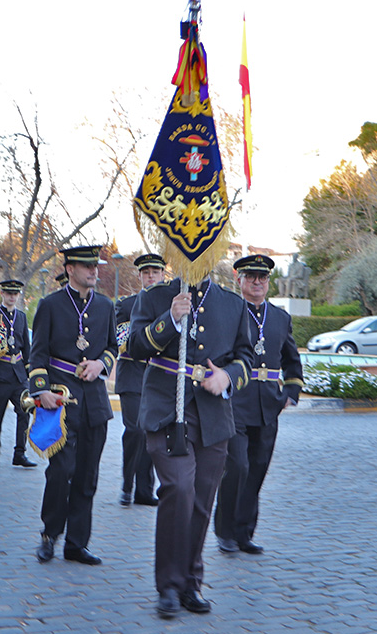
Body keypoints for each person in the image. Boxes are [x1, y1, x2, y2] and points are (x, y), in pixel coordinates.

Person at [128, 265, 254, 618]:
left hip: (213, 416)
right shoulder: (154, 296)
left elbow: (246, 358)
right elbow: (135, 346)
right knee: (179, 489)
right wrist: (169, 317)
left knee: (201, 500)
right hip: (166, 409)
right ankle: (168, 585)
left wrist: (227, 377)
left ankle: (190, 582)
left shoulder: (231, 304)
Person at [30, 245, 117, 566]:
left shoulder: (106, 306)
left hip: (95, 402)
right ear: (69, 269)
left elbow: (112, 347)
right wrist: (41, 393)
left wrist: (100, 364)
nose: (94, 271)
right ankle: (50, 534)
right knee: (60, 472)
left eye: (95, 266)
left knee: (87, 476)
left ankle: (77, 544)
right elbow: (37, 355)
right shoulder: (50, 305)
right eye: (86, 266)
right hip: (60, 403)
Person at [214, 255, 303, 555]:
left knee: (257, 471)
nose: (257, 282)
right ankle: (225, 531)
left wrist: (291, 391)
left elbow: (292, 359)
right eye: (251, 277)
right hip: (235, 402)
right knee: (237, 467)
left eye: (262, 278)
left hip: (268, 405)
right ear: (238, 280)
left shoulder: (279, 317)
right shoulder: (227, 313)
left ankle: (244, 533)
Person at [115, 253, 165, 507]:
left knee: (151, 433)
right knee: (134, 431)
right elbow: (121, 340)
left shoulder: (171, 304)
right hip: (132, 376)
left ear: (163, 274)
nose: (151, 276)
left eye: (155, 272)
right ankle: (127, 485)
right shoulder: (126, 305)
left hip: (158, 377)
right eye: (146, 272)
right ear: (140, 276)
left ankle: (145, 490)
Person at [0, 279, 36, 469]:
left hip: (18, 373)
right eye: (8, 293)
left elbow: (25, 346)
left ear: (18, 295)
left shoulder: (21, 317)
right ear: (2, 294)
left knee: (24, 410)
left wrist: (28, 370)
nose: (12, 297)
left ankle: (20, 453)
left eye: (15, 294)